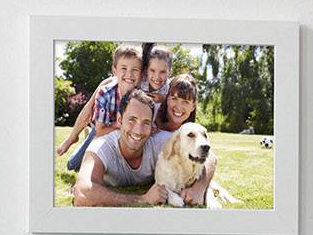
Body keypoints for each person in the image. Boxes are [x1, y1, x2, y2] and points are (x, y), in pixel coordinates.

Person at [71, 90, 166, 206]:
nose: (138, 130)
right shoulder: (101, 147)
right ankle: (88, 135)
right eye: (132, 120)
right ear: (120, 120)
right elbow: (82, 195)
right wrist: (142, 199)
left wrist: (189, 189)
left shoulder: (160, 143)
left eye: (146, 123)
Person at [59, 43, 144, 172]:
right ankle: (82, 137)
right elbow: (100, 131)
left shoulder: (142, 96)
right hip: (103, 129)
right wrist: (122, 126)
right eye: (124, 68)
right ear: (115, 71)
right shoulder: (106, 93)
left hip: (121, 134)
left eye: (135, 70)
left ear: (141, 73)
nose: (129, 74)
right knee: (73, 165)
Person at [151, 73, 218, 204]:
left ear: (193, 106)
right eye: (174, 98)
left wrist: (199, 189)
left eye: (186, 102)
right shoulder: (151, 117)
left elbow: (211, 158)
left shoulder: (190, 129)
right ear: (167, 99)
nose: (179, 106)